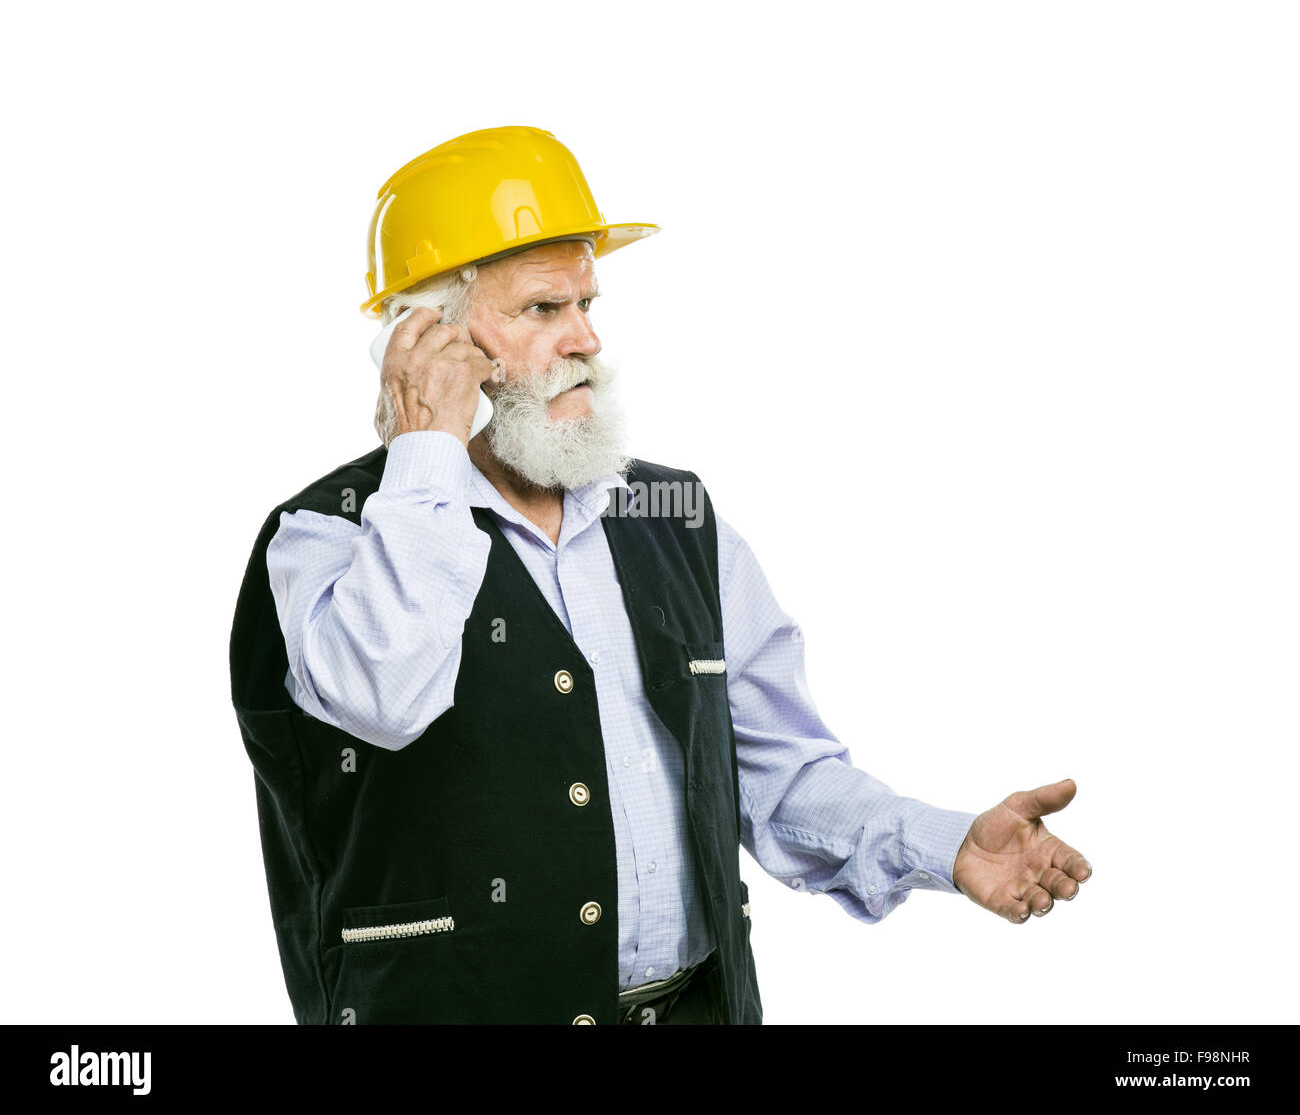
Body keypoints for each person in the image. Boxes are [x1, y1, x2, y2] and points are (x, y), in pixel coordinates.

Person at [229, 126, 1092, 1026]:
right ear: (428, 340)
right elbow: (385, 694)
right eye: (541, 310)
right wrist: (424, 452)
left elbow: (778, 776)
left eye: (587, 302)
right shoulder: (326, 538)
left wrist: (948, 845)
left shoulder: (674, 519)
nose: (588, 338)